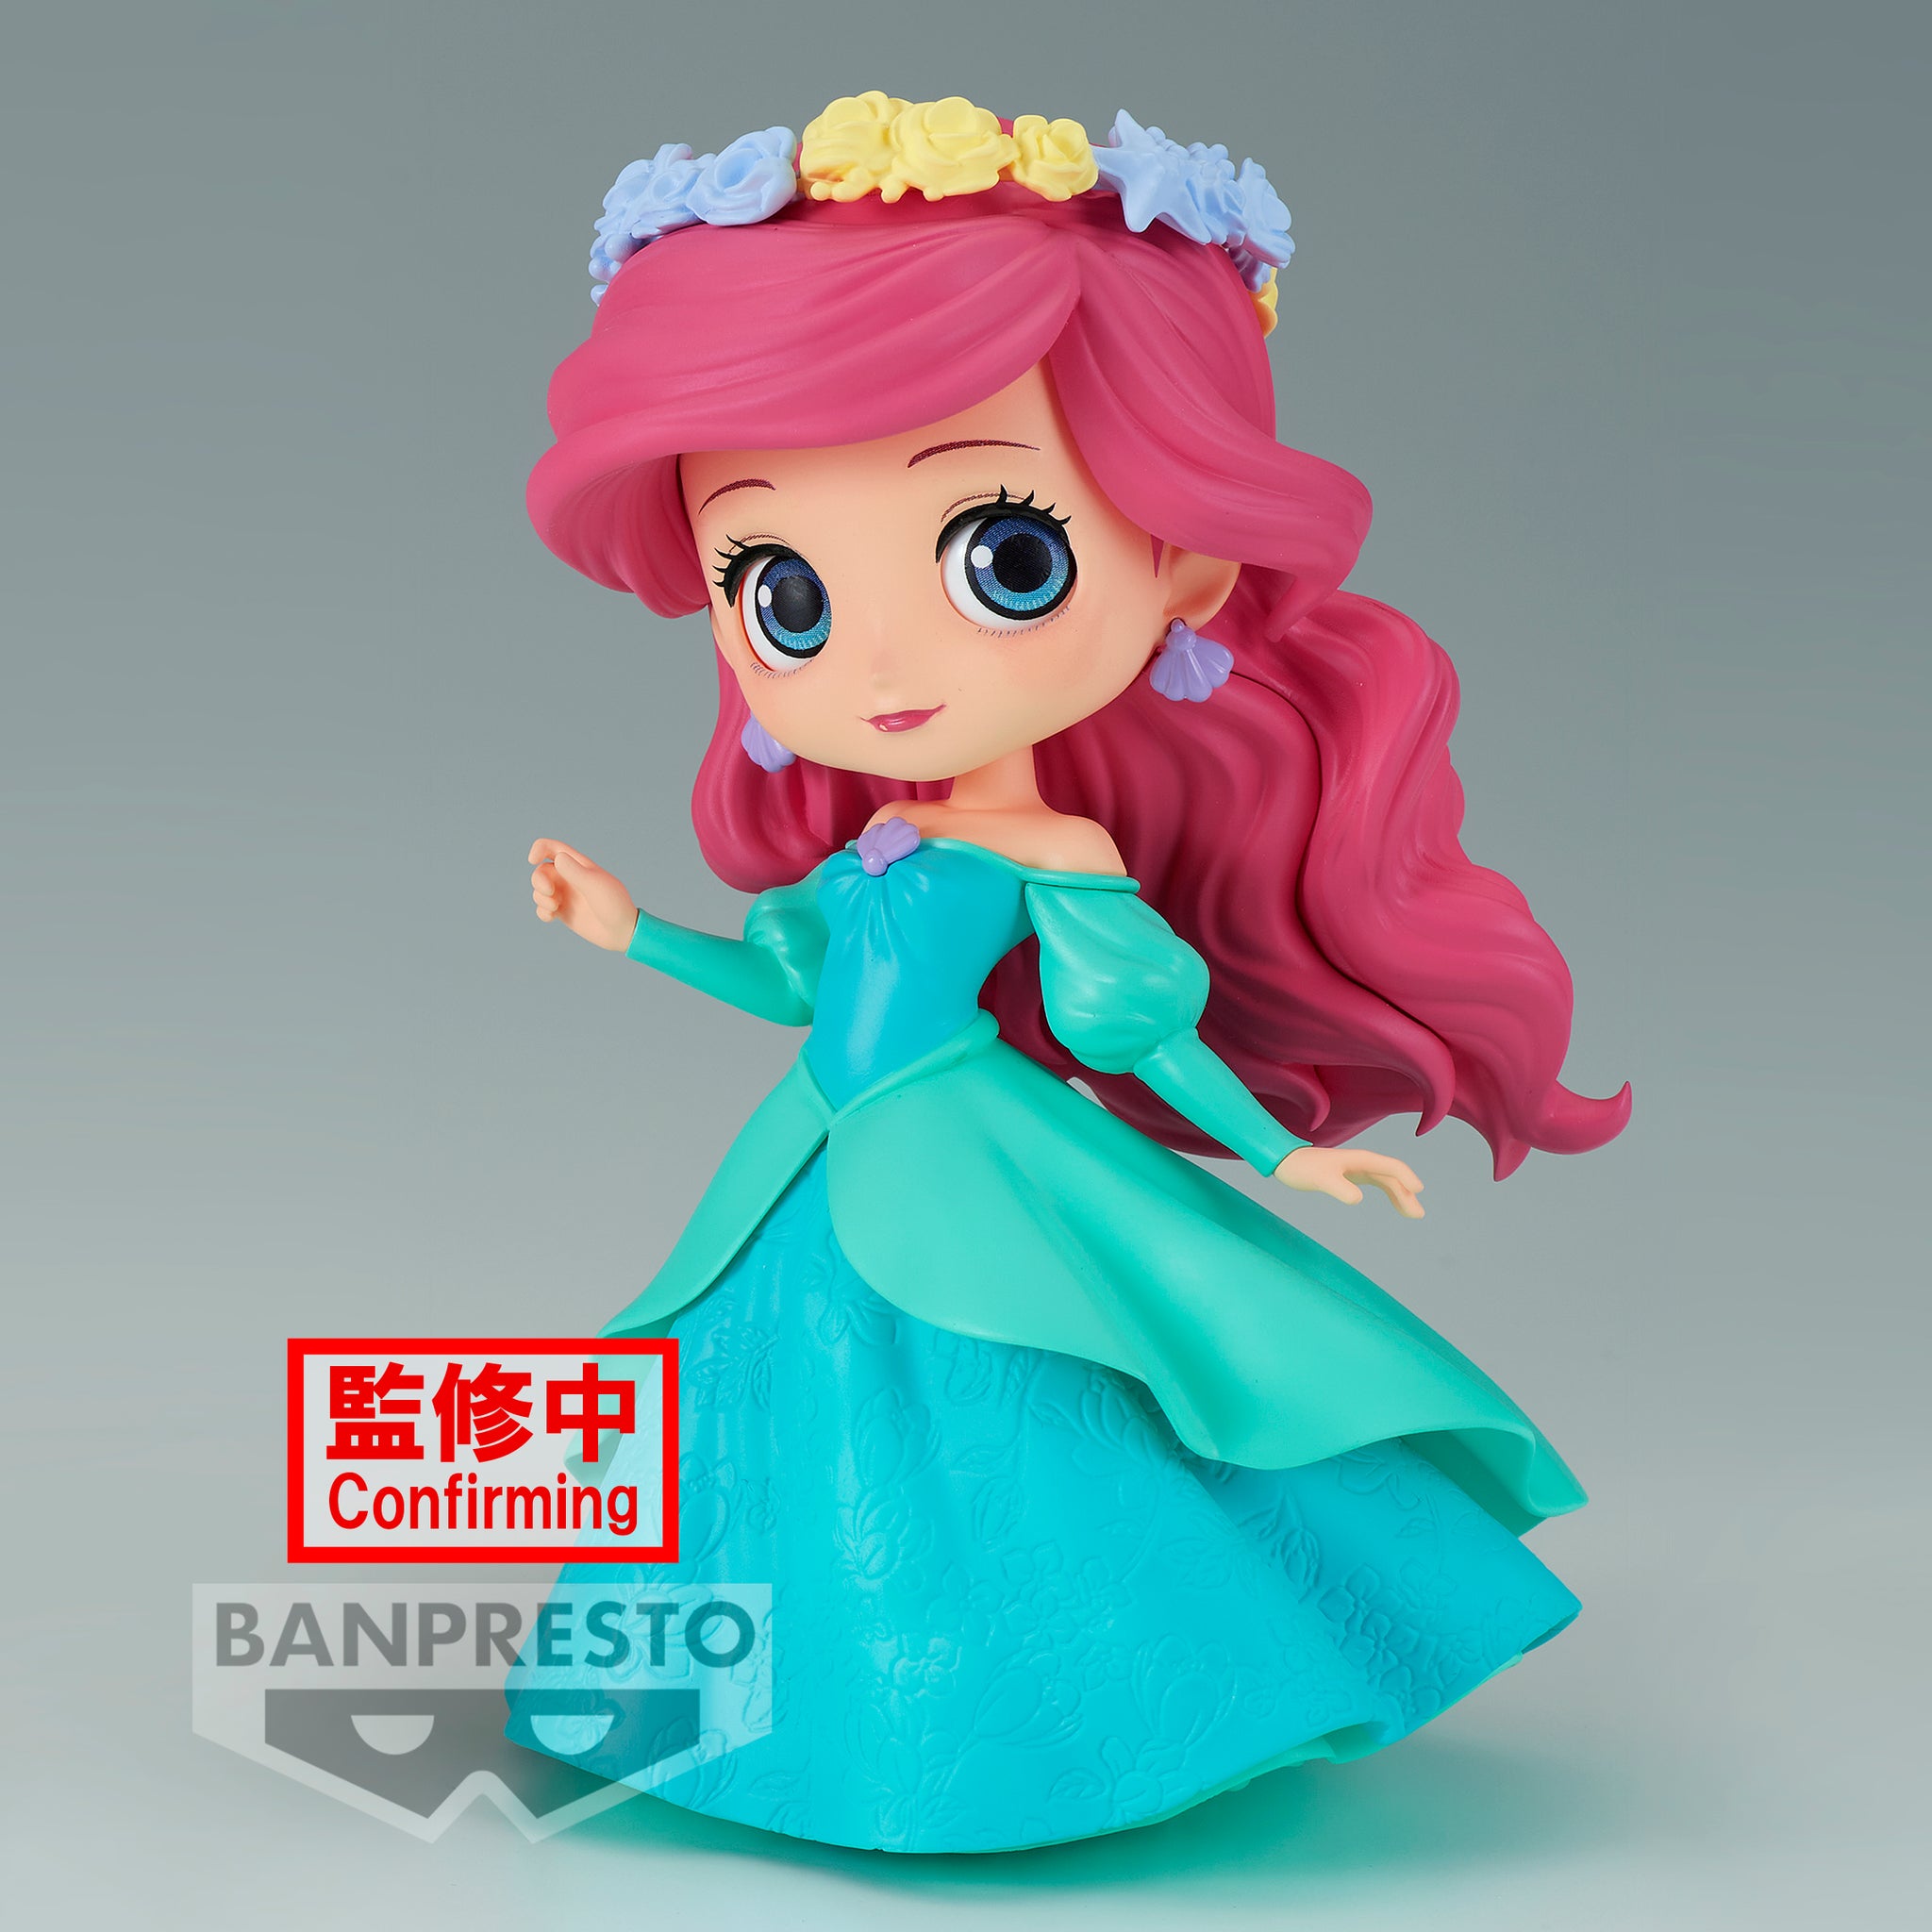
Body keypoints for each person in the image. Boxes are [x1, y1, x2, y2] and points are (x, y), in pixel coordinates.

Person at [505, 94, 1629, 1855]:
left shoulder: (1059, 857)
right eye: (782, 590)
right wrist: (629, 929)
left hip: (964, 1160)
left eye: (1002, 559)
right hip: (816, 1158)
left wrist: (1281, 1151)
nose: (878, 664)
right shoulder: (871, 846)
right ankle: (781, 1720)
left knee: (1018, 1436)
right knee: (775, 1430)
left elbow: (1140, 1026)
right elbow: (796, 988)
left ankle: (1023, 1731)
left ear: (1178, 561)